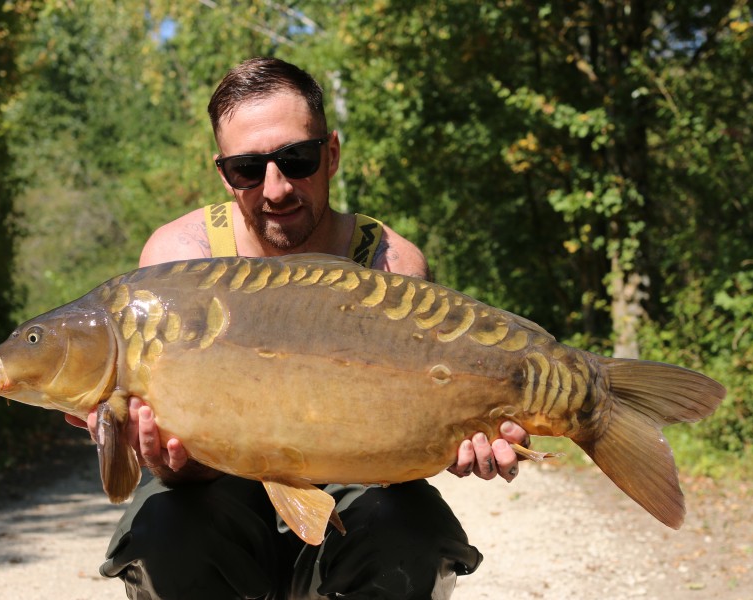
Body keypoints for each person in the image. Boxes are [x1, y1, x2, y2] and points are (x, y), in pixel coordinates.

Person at [68, 57, 530, 600]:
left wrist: (452, 441)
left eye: (297, 159)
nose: (277, 188)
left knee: (410, 533)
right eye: (247, 168)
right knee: (166, 532)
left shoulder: (389, 264)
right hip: (219, 491)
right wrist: (176, 465)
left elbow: (402, 455)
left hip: (351, 482)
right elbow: (170, 468)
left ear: (330, 153)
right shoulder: (174, 261)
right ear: (223, 173)